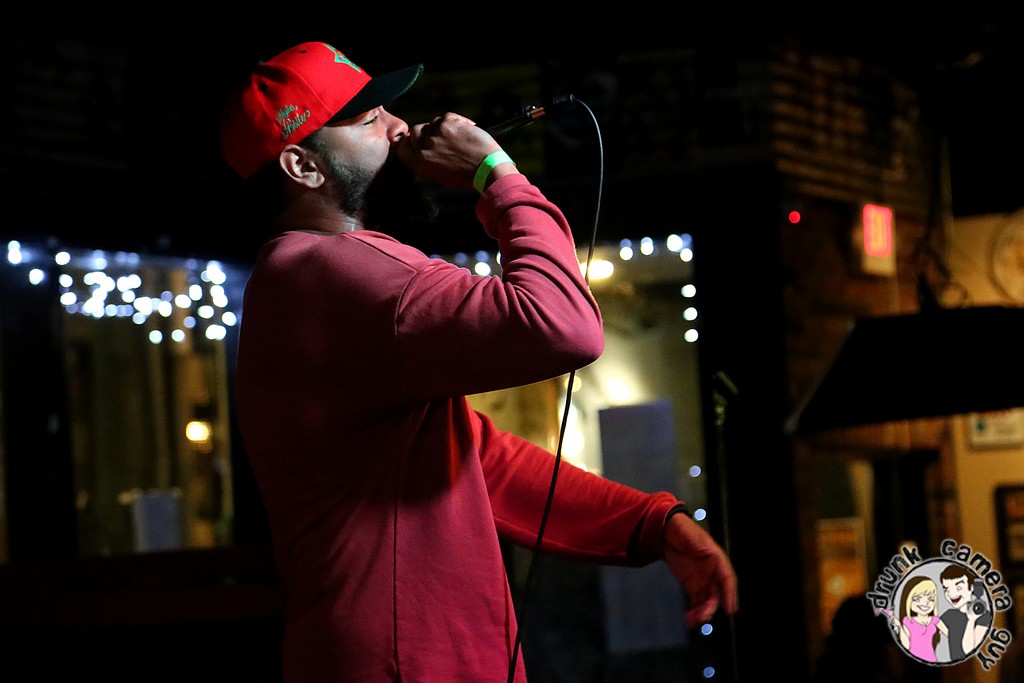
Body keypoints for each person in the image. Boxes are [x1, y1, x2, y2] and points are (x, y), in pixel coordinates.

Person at [218, 40, 739, 682]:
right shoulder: (338, 271)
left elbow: (477, 460)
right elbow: (563, 324)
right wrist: (497, 174)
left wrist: (652, 524)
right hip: (410, 665)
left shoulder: (299, 282)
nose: (400, 127)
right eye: (369, 119)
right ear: (302, 165)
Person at [939, 563, 992, 661]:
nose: (951, 594)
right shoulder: (949, 615)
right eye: (947, 589)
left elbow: (968, 650)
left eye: (958, 588)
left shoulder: (984, 616)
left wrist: (971, 620)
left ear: (971, 588)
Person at [889, 575, 948, 663]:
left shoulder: (935, 620)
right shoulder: (907, 621)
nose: (925, 603)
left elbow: (951, 635)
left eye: (931, 599)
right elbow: (906, 645)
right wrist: (899, 626)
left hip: (931, 659)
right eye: (917, 599)